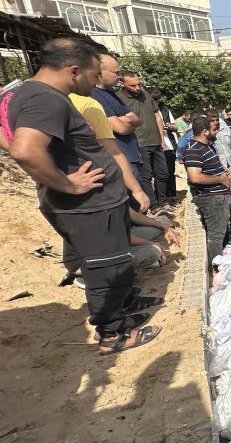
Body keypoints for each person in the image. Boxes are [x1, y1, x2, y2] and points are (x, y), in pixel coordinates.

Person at [7, 39, 161, 355]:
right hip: (88, 205)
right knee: (105, 267)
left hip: (98, 203)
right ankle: (112, 333)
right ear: (73, 70)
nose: (96, 83)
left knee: (113, 262)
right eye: (93, 75)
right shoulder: (44, 99)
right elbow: (24, 150)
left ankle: (124, 306)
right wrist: (69, 185)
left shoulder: (37, 95)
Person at [68, 92, 150, 212]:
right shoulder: (88, 104)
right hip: (98, 186)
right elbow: (113, 148)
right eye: (96, 75)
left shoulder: (39, 97)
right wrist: (137, 190)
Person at [92, 53, 144, 204]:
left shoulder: (110, 93)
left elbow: (136, 119)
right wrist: (127, 121)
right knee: (134, 205)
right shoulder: (93, 95)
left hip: (132, 156)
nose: (119, 77)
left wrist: (126, 120)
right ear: (100, 72)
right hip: (122, 159)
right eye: (116, 73)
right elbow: (120, 128)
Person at [116, 71, 171, 213]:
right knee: (146, 176)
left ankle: (163, 201)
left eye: (139, 84)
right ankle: (154, 206)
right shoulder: (118, 98)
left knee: (163, 173)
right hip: (138, 143)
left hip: (155, 141)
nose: (137, 88)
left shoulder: (146, 94)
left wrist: (161, 138)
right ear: (122, 83)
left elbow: (157, 116)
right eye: (133, 85)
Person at [182, 114, 231, 263]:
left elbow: (206, 169)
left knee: (221, 233)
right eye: (214, 129)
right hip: (211, 199)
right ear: (205, 131)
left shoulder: (205, 147)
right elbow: (195, 177)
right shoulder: (193, 149)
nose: (216, 132)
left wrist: (221, 171)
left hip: (218, 197)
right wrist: (219, 178)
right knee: (216, 236)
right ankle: (217, 267)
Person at [150, 88, 180, 201]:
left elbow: (175, 126)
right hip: (155, 145)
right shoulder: (146, 109)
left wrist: (169, 127)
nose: (156, 103)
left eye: (157, 100)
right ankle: (161, 198)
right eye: (154, 100)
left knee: (170, 172)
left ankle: (172, 195)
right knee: (159, 173)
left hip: (169, 146)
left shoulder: (165, 109)